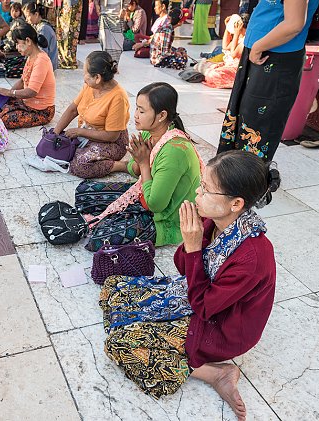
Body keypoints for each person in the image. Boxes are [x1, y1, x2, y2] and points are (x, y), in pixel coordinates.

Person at [100, 150, 281, 420]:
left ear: (236, 203)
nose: (197, 193)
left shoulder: (253, 257)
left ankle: (216, 372)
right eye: (202, 185)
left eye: (206, 190)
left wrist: (194, 247)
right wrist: (190, 242)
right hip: (198, 296)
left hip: (221, 327)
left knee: (120, 344)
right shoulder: (216, 219)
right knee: (114, 287)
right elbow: (184, 269)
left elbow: (206, 307)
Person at [77, 82, 203, 251]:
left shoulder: (175, 151)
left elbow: (155, 204)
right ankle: (115, 216)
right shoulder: (149, 133)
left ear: (161, 115)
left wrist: (143, 163)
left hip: (165, 217)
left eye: (142, 111)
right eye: (136, 108)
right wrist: (136, 163)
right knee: (84, 192)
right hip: (144, 192)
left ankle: (114, 219)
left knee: (100, 239)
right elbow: (137, 172)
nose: (135, 115)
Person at [218, 0, 319, 161]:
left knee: (257, 126)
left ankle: (245, 179)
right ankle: (230, 175)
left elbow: (294, 23)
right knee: (242, 119)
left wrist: (258, 47)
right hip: (262, 52)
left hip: (274, 56)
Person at [53, 51, 129, 179]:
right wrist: (55, 133)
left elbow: (112, 135)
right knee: (60, 151)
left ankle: (121, 166)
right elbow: (73, 109)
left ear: (97, 78)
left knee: (80, 166)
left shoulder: (118, 97)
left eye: (85, 74)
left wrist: (79, 132)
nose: (84, 78)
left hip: (112, 142)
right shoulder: (89, 86)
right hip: (88, 134)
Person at [0, 24, 56, 129]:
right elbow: (23, 81)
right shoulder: (31, 56)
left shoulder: (41, 60)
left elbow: (31, 91)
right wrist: (7, 95)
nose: (17, 47)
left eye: (18, 43)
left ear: (28, 41)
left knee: (5, 120)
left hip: (41, 111)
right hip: (27, 103)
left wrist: (10, 93)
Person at [195, 14, 247, 89]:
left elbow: (233, 55)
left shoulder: (245, 40)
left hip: (238, 70)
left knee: (212, 74)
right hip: (229, 66)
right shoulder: (240, 36)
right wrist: (227, 28)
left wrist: (236, 34)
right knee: (202, 64)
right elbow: (225, 47)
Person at [23, 2, 58, 70]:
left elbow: (42, 51)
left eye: (28, 16)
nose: (26, 19)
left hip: (47, 65)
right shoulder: (38, 26)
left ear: (36, 14)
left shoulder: (44, 29)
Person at [56, 0, 83, 69]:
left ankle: (68, 60)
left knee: (69, 31)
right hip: (65, 4)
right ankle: (65, 58)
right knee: (64, 31)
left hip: (70, 4)